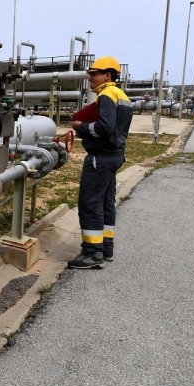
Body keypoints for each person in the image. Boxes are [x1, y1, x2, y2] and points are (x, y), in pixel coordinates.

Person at [69, 56, 133, 269]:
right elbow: (114, 130)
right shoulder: (121, 95)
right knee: (106, 202)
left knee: (90, 203)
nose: (90, 78)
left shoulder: (106, 95)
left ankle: (92, 254)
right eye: (90, 74)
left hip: (100, 158)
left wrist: (81, 127)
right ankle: (106, 249)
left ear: (108, 75)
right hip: (114, 156)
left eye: (94, 74)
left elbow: (105, 128)